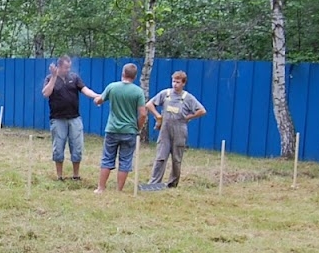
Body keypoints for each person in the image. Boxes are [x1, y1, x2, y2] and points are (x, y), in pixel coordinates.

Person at [42, 55, 102, 181]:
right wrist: (54, 77)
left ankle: (76, 175)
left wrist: (97, 96)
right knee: (58, 148)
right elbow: (46, 93)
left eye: (69, 67)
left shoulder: (74, 78)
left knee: (77, 147)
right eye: (65, 67)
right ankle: (59, 176)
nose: (68, 70)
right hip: (58, 119)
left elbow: (85, 90)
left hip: (74, 118)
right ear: (59, 66)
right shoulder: (49, 78)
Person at [146, 70, 207, 188]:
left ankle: (172, 184)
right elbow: (149, 104)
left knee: (176, 158)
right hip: (165, 129)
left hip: (180, 129)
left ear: (183, 83)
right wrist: (157, 116)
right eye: (173, 81)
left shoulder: (188, 98)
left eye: (178, 82)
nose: (175, 84)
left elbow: (202, 111)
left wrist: (189, 117)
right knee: (161, 156)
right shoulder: (166, 94)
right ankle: (154, 183)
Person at [93, 63, 148, 193]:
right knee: (125, 160)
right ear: (135, 76)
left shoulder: (112, 87)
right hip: (129, 131)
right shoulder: (138, 92)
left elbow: (99, 100)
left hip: (112, 129)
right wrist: (138, 128)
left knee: (107, 158)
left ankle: (101, 188)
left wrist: (96, 99)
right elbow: (143, 114)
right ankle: (119, 190)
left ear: (123, 73)